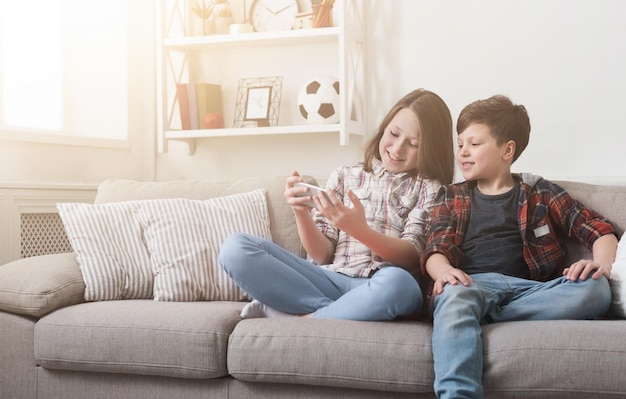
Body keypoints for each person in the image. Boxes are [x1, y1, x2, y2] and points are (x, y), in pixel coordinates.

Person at [421, 94, 618, 399]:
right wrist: (444, 272)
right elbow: (436, 248)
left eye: (474, 144)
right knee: (453, 295)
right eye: (460, 144)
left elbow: (600, 230)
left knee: (597, 289)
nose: (462, 152)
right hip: (471, 285)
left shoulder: (539, 191)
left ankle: (488, 314)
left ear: (507, 149)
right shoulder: (452, 195)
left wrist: (602, 266)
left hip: (533, 289)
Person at [218, 88, 455, 321]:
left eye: (413, 143)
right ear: (384, 129)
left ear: (430, 149)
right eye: (393, 133)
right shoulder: (344, 176)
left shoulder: (430, 188)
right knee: (235, 247)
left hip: (381, 284)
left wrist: (359, 231)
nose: (397, 147)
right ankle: (338, 312)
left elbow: (411, 256)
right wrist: (301, 213)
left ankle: (304, 317)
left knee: (401, 285)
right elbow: (321, 255)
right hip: (329, 280)